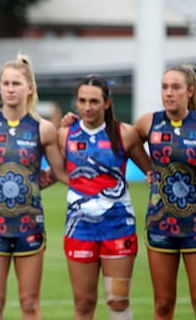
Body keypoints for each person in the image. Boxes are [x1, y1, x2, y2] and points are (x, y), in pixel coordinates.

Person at [0, 55, 68, 319]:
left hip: (30, 227)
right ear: (0, 87)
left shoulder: (44, 129)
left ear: (30, 88)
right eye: (6, 83)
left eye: (17, 83)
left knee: (30, 304)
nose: (11, 88)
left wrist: (37, 181)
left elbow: (63, 173)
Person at [60, 76, 153, 320]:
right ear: (76, 102)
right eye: (82, 101)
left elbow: (153, 173)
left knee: (118, 302)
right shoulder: (65, 134)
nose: (87, 107)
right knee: (83, 305)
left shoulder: (125, 134)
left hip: (118, 229)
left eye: (94, 101)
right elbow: (57, 173)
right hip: (79, 230)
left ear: (107, 103)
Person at [134, 65, 196, 319]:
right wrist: (148, 169)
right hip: (160, 223)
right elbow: (126, 142)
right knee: (163, 305)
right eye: (164, 87)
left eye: (176, 87)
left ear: (189, 91)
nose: (169, 93)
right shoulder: (149, 122)